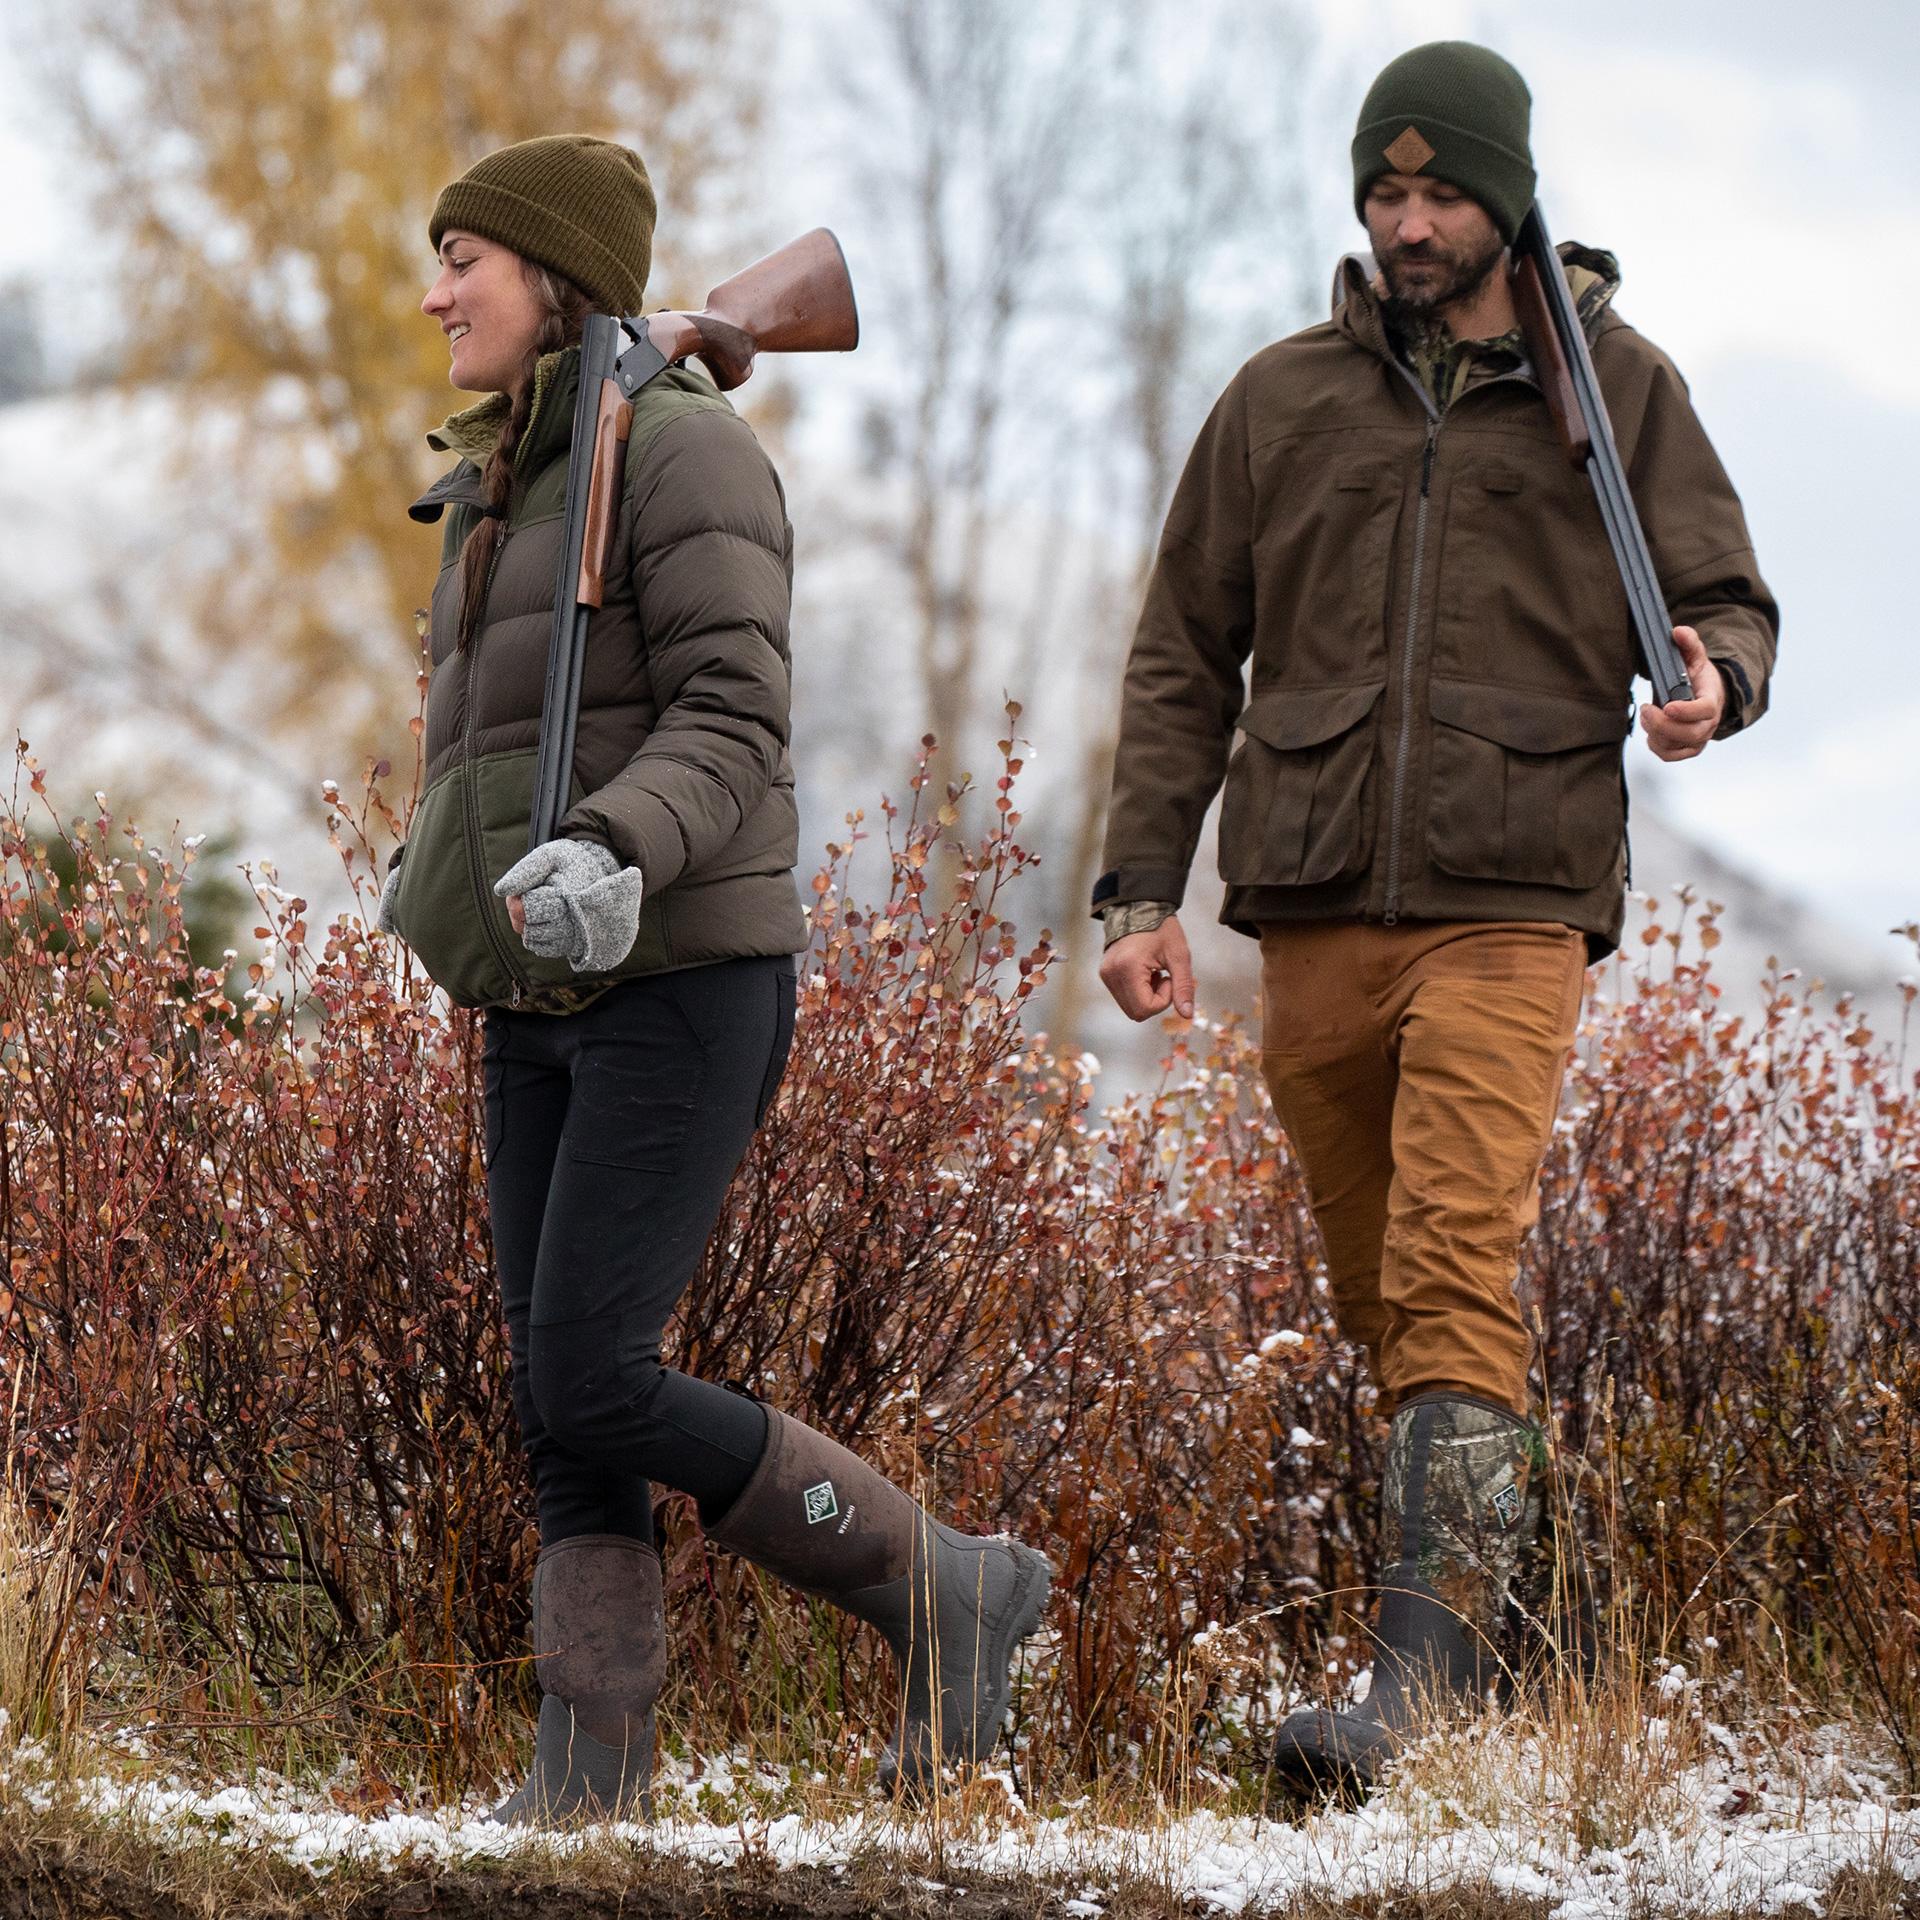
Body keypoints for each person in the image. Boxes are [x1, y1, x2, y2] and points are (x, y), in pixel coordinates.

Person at [1091, 43, 1776, 1793]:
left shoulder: (1620, 391)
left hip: (1515, 898)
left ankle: (1416, 1707)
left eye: (1440, 194)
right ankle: (1533, 1643)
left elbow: (1721, 606)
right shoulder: (1278, 400)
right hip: (1310, 900)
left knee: (1455, 1265)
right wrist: (1137, 887)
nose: (1406, 224)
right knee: (1388, 1303)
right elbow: (1184, 653)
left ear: (1508, 199)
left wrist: (1714, 682)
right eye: (1383, 196)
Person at [381, 134, 1051, 1823]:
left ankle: (949, 1588)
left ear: (556, 276)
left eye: (466, 255)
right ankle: (589, 1793)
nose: (435, 288)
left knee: (594, 1369)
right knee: (559, 1401)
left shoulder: (677, 453)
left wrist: (609, 847)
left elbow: (736, 721)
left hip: (677, 971)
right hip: (536, 987)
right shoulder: (512, 476)